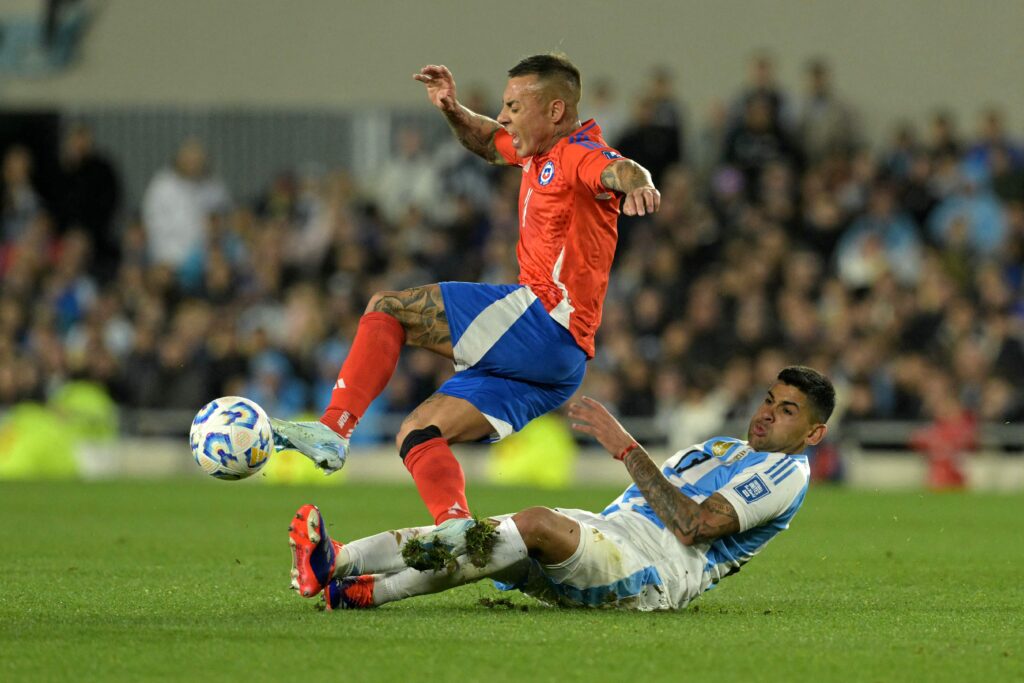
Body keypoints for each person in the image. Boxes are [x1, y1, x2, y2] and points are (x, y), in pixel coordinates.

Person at [272, 54, 661, 535]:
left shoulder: (577, 154)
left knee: (388, 308)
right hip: (562, 363)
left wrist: (639, 182)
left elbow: (617, 170)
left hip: (543, 320)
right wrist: (451, 108)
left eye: (515, 106)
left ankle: (333, 429)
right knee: (419, 432)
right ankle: (456, 529)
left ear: (555, 111)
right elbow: (488, 142)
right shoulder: (536, 151)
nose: (504, 117)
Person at [285, 366, 834, 611]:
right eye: (768, 400)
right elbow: (651, 499)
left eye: (787, 411)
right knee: (480, 537)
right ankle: (341, 566)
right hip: (611, 533)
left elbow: (694, 526)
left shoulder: (790, 472)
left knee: (532, 524)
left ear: (813, 432)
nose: (767, 415)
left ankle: (361, 584)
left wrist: (625, 447)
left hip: (655, 571)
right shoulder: (722, 448)